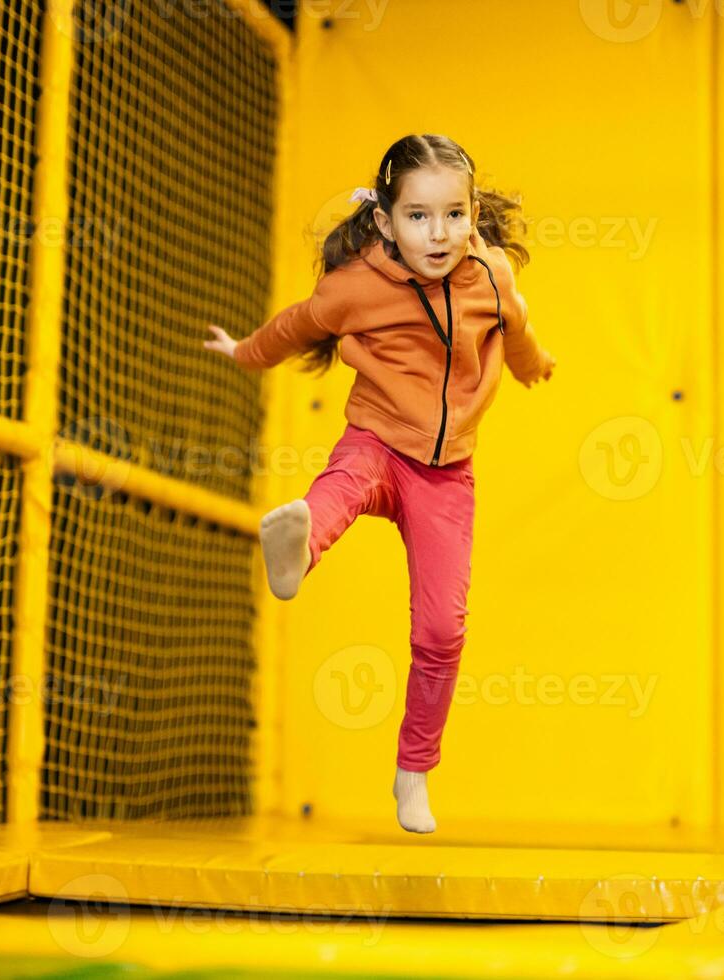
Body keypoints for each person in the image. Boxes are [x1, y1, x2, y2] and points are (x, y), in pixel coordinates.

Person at [203, 133, 555, 833]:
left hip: (446, 473)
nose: (439, 233)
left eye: (455, 214)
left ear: (473, 210)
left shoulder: (488, 274)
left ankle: (412, 774)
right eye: (419, 217)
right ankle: (296, 552)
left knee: (442, 631)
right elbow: (295, 326)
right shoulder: (355, 287)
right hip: (377, 441)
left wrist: (531, 364)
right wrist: (243, 353)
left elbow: (516, 328)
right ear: (385, 221)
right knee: (337, 490)